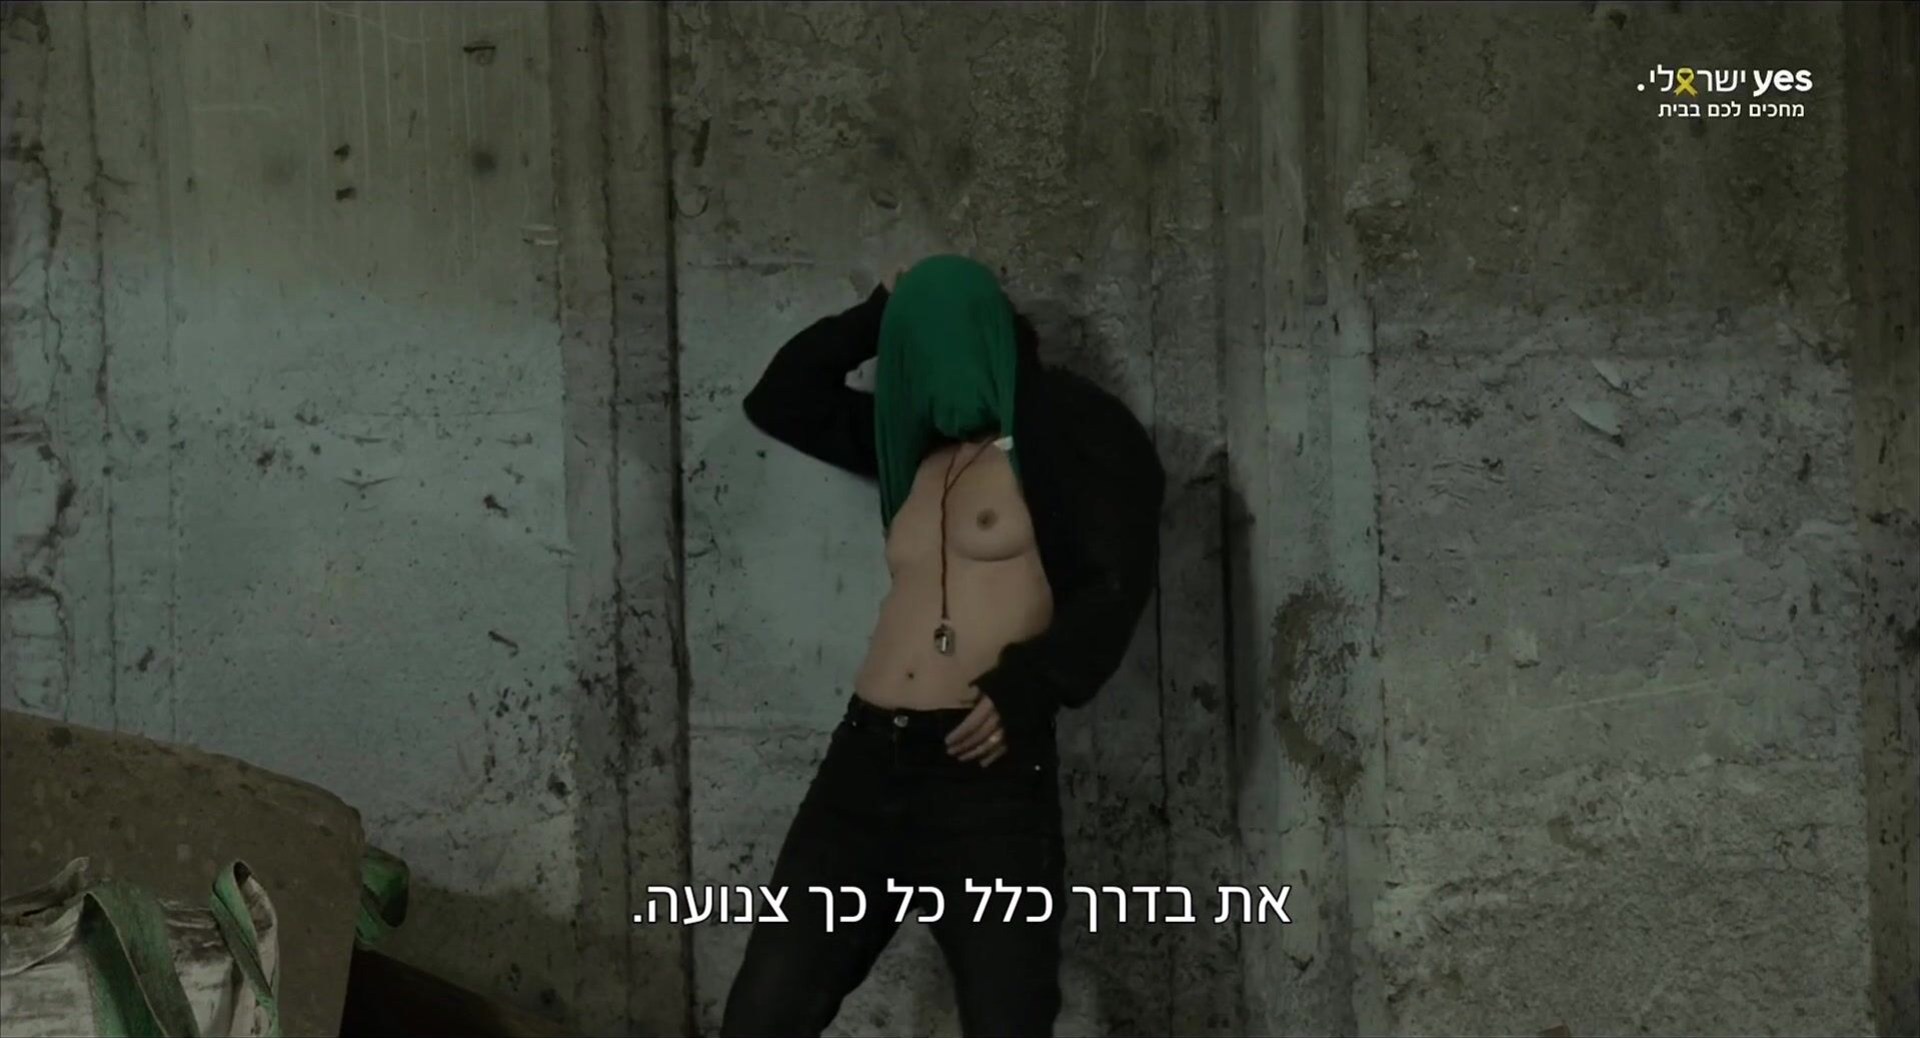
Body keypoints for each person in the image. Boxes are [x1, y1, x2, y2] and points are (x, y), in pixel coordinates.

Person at [721, 255, 1164, 1037]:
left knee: (1007, 1021)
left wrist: (1036, 683)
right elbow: (782, 399)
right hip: (862, 764)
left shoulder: (1069, 430)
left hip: (982, 777)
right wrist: (876, 315)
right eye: (914, 347)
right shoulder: (914, 449)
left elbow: (1115, 578)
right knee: (764, 1015)